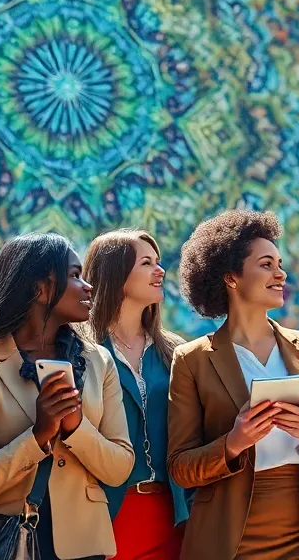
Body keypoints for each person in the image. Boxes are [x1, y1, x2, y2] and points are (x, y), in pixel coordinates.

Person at [167, 210, 299, 560]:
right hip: (230, 539)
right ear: (231, 278)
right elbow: (181, 467)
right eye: (266, 264)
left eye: (280, 263)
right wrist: (233, 443)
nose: (280, 273)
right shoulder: (191, 359)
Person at [0, 233, 134, 560]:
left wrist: (77, 428)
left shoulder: (99, 361)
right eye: (75, 276)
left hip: (83, 545)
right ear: (40, 288)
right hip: (4, 545)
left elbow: (120, 467)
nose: (87, 286)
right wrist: (38, 436)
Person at [83, 229, 190, 558]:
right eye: (147, 263)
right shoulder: (80, 349)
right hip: (104, 512)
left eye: (158, 262)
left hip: (171, 514)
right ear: (115, 272)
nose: (160, 271)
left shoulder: (176, 351)